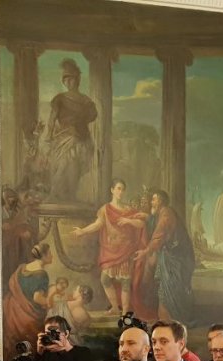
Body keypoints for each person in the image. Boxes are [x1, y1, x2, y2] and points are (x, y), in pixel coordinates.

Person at [71, 180, 146, 315]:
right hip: (110, 250)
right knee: (105, 279)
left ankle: (125, 313)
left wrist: (129, 220)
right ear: (112, 190)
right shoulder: (105, 209)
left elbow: (141, 224)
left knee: (125, 281)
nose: (120, 192)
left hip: (125, 249)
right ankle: (115, 308)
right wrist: (82, 231)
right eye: (118, 188)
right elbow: (98, 224)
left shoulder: (128, 210)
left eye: (122, 189)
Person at [134, 189, 196, 323]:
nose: (151, 202)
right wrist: (147, 217)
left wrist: (145, 251)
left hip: (177, 258)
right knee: (165, 286)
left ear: (160, 201)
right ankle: (168, 318)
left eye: (153, 199)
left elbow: (159, 234)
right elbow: (156, 223)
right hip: (171, 256)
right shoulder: (162, 213)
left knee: (168, 287)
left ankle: (168, 319)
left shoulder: (166, 214)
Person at [44, 57, 98, 202]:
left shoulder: (86, 100)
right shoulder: (59, 99)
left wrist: (80, 122)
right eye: (65, 79)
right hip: (64, 138)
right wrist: (49, 135)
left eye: (71, 79)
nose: (68, 82)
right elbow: (52, 118)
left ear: (77, 80)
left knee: (75, 167)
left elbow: (93, 115)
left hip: (82, 138)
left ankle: (71, 196)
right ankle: (56, 193)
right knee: (63, 165)